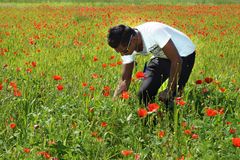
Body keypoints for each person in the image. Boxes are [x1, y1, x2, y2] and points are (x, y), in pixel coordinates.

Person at [107, 22, 196, 106]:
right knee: (144, 93)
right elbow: (125, 80)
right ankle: (150, 118)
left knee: (172, 98)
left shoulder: (154, 32)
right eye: (120, 52)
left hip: (184, 54)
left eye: (124, 51)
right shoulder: (126, 46)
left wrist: (169, 90)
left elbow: (176, 60)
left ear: (134, 40)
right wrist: (114, 102)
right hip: (162, 56)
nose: (123, 55)